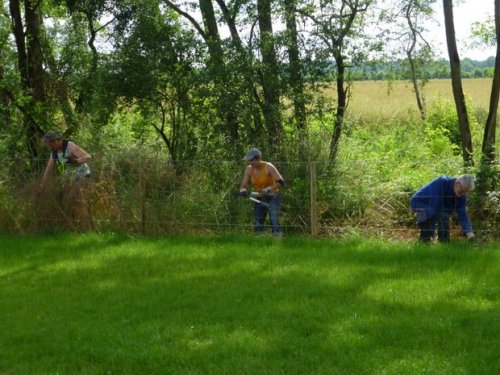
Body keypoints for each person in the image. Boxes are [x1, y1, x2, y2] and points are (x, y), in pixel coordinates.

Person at [37, 131, 92, 229]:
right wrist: (42, 187)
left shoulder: (70, 146)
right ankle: (71, 226)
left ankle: (86, 226)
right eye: (48, 145)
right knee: (60, 198)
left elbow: (88, 156)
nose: (49, 147)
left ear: (56, 141)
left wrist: (77, 161)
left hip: (82, 177)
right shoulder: (54, 153)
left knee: (73, 199)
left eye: (50, 144)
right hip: (70, 180)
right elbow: (48, 171)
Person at [410, 174, 475, 243]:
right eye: (462, 191)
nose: (464, 194)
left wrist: (470, 234)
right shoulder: (442, 182)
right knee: (439, 218)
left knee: (443, 215)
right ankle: (430, 242)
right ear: (457, 184)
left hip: (435, 208)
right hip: (420, 203)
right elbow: (435, 206)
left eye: (466, 192)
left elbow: (463, 214)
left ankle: (443, 244)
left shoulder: (462, 194)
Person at [240, 148, 284, 236]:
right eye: (249, 161)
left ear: (259, 158)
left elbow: (280, 181)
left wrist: (269, 189)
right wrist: (243, 189)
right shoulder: (249, 169)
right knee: (258, 220)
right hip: (258, 197)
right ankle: (259, 239)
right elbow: (244, 183)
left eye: (252, 160)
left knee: (273, 219)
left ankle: (277, 237)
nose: (250, 162)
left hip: (273, 196)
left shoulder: (268, 166)